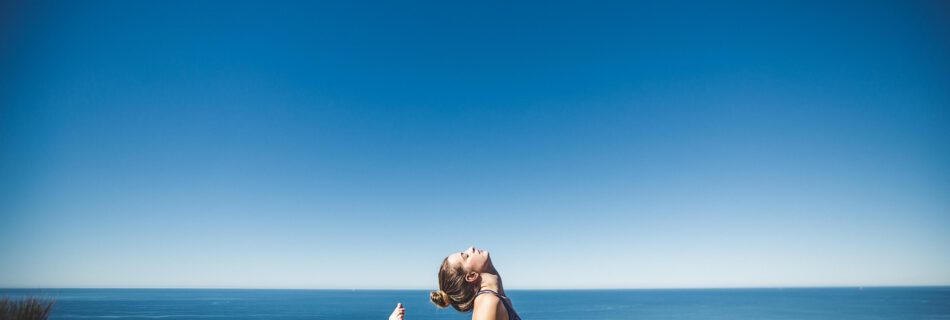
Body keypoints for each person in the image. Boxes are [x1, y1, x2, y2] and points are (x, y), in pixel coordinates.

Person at [388, 246, 521, 320]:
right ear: (471, 276)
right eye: (466, 256)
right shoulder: (487, 301)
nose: (471, 248)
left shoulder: (496, 298)